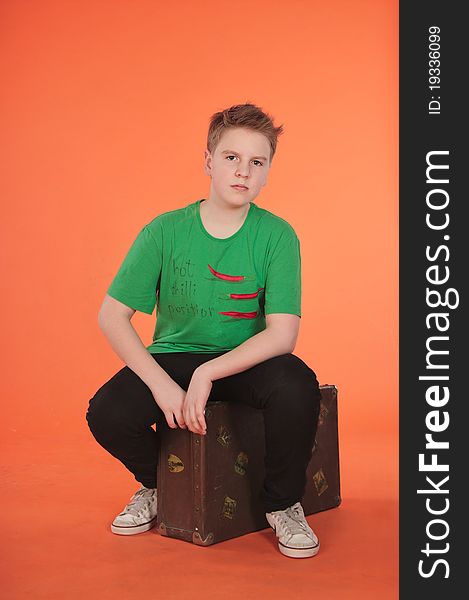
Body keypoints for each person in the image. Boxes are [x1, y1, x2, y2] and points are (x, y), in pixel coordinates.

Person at [86, 102, 322, 559]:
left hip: (244, 359)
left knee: (297, 384)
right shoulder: (163, 231)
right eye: (231, 158)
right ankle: (159, 485)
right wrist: (160, 383)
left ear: (269, 171)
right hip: (175, 355)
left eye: (257, 162)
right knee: (107, 412)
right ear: (209, 161)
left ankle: (283, 504)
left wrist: (208, 373)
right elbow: (111, 316)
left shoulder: (277, 236)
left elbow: (282, 335)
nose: (243, 172)